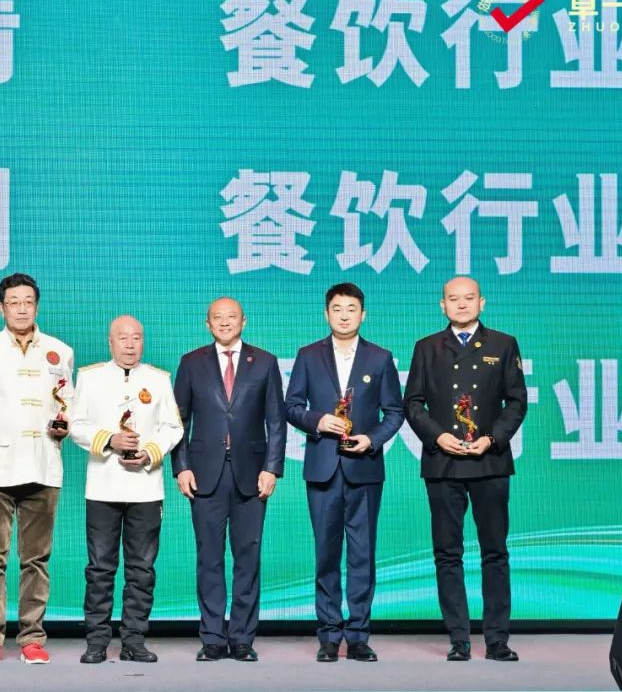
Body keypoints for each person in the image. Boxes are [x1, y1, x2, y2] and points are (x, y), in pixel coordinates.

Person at [403, 276, 527, 663]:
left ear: (482, 302)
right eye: (453, 299)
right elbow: (413, 403)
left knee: (495, 552)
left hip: (490, 461)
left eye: (469, 298)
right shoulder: (426, 347)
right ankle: (458, 638)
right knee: (447, 553)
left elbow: (517, 401)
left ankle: (497, 639)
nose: (461, 304)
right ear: (442, 305)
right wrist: (437, 437)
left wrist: (493, 438)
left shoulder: (503, 344)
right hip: (443, 463)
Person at [0, 273, 74, 665]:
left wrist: (66, 423)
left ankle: (32, 637)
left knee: (36, 559)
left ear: (36, 306)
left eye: (28, 302)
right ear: (1, 307)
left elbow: (67, 403)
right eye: (14, 302)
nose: (21, 309)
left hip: (43, 465)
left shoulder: (60, 351)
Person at [285, 282, 404, 663]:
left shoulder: (380, 358)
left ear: (363, 314)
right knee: (326, 554)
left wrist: (372, 439)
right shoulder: (308, 355)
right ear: (326, 314)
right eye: (337, 308)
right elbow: (291, 406)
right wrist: (318, 421)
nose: (344, 315)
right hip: (323, 468)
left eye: (351, 309)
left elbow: (395, 412)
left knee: (362, 556)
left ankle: (358, 636)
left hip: (364, 469)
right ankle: (328, 635)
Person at [171, 297, 285, 662]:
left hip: (252, 474)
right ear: (207, 324)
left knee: (248, 558)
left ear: (244, 321)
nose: (224, 322)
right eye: (217, 318)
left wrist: (272, 468)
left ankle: (242, 639)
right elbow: (178, 421)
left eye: (231, 317)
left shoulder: (264, 362)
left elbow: (276, 421)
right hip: (204, 474)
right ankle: (212, 638)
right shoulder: (191, 362)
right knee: (209, 558)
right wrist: (181, 466)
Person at [69, 316, 184, 664]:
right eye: (123, 338)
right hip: (103, 487)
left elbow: (173, 427)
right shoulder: (90, 377)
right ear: (110, 342)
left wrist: (150, 451)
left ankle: (134, 640)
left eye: (136, 337)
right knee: (100, 568)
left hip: (146, 488)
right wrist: (110, 440)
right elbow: (76, 425)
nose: (130, 344)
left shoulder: (158, 379)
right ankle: (96, 641)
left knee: (142, 569)